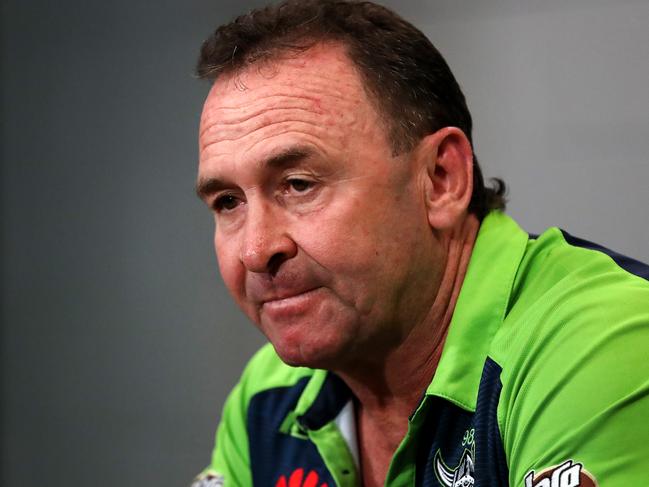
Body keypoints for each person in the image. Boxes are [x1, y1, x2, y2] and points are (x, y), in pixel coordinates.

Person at [191, 1, 649, 485]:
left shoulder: (602, 344)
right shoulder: (270, 395)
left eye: (299, 184)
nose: (256, 250)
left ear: (441, 179)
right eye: (227, 202)